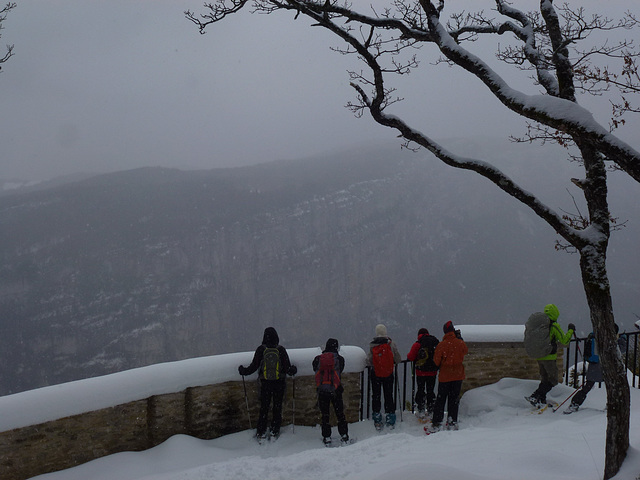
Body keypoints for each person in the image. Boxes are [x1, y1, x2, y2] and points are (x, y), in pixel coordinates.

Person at [238, 327, 297, 440]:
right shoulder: (281, 350)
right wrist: (293, 369)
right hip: (279, 383)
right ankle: (275, 430)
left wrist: (243, 371)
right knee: (277, 406)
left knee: (264, 407)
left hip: (265, 383)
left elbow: (254, 366)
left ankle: (261, 431)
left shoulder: (261, 349)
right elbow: (287, 369)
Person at [564, 323, 626, 414]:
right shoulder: (609, 338)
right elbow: (620, 350)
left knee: (587, 386)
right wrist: (623, 339)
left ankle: (574, 404)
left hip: (594, 365)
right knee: (612, 386)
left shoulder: (596, 335)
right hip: (607, 365)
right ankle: (612, 405)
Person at [525, 304, 575, 407]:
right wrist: (571, 330)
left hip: (539, 355)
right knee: (553, 380)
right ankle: (535, 396)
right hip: (549, 357)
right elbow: (564, 341)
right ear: (555, 313)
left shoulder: (540, 325)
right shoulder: (554, 326)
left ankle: (541, 399)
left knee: (545, 379)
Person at [428, 321, 468, 432]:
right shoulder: (460, 343)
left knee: (441, 400)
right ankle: (452, 422)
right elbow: (465, 351)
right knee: (454, 399)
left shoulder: (441, 345)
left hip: (445, 376)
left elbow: (436, 361)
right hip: (458, 375)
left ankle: (437, 423)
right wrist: (460, 339)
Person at [312, 338, 349, 446]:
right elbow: (340, 370)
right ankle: (344, 435)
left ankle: (327, 436)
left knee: (325, 414)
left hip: (322, 390)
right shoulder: (340, 359)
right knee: (340, 413)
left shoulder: (317, 359)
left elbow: (315, 369)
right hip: (336, 390)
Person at [366, 323, 402, 430]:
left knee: (376, 395)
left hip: (376, 374)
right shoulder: (391, 344)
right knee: (388, 395)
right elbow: (398, 359)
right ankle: (390, 418)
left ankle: (377, 418)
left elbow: (369, 361)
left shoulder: (372, 345)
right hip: (388, 373)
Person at [406, 328, 439, 417]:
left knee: (421, 390)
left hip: (421, 372)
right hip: (433, 372)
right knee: (430, 391)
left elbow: (410, 357)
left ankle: (421, 409)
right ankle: (431, 409)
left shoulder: (418, 344)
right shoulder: (435, 343)